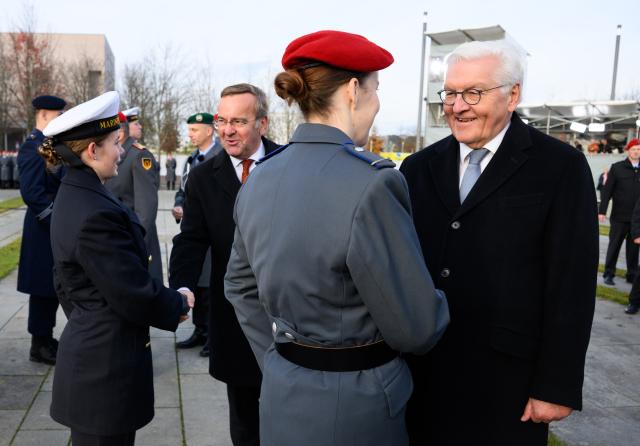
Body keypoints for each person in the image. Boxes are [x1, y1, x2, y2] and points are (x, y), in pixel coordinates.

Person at [224, 31, 449, 446]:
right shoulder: (372, 183)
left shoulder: (260, 177)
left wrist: (278, 358)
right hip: (356, 404)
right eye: (375, 88)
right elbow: (417, 329)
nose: (377, 103)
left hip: (281, 391)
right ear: (351, 91)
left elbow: (238, 285)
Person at [399, 39, 598, 445]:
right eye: (451, 93)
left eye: (473, 92)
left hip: (508, 384)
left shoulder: (559, 167)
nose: (458, 106)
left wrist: (555, 385)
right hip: (424, 376)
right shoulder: (418, 167)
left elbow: (570, 283)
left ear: (513, 95)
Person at [39, 91, 194, 446]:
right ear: (92, 151)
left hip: (94, 354)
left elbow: (65, 283)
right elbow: (131, 291)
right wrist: (179, 304)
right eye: (113, 143)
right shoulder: (94, 211)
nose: (121, 151)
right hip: (103, 372)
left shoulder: (77, 192)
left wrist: (87, 315)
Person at [169, 84, 280, 446]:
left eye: (238, 121)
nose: (227, 130)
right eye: (221, 121)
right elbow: (191, 239)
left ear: (262, 123)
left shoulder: (288, 163)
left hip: (291, 313)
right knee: (245, 417)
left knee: (292, 412)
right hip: (235, 317)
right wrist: (183, 286)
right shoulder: (203, 176)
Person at [17, 94, 66, 365]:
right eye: (58, 115)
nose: (60, 119)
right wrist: (56, 219)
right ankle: (39, 344)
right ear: (44, 115)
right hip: (42, 228)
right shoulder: (32, 147)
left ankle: (45, 337)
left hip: (51, 227)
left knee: (51, 286)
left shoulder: (51, 145)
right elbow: (32, 193)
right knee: (42, 288)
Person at [172, 112, 223, 356]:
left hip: (213, 233)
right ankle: (200, 330)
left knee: (212, 285)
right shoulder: (192, 159)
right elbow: (182, 190)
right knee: (197, 283)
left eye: (194, 130)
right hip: (193, 231)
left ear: (209, 131)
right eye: (189, 130)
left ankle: (214, 336)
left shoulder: (221, 157)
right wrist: (179, 203)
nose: (190, 135)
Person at [105, 107, 163, 282]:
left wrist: (133, 247)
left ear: (120, 134)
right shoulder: (109, 157)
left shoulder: (139, 156)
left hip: (135, 244)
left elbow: (145, 212)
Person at [599, 138, 640, 285]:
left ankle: (632, 274)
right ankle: (608, 273)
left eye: (639, 149)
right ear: (628, 151)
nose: (637, 152)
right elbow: (607, 190)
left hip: (637, 219)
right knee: (614, 245)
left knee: (634, 249)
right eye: (634, 149)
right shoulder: (617, 168)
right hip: (618, 216)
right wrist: (602, 211)